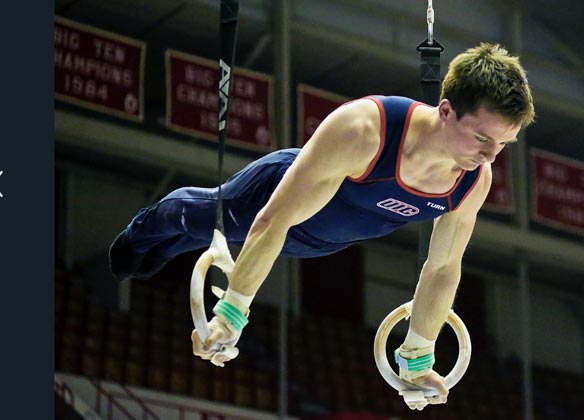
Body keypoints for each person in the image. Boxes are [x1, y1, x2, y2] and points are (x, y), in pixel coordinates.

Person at [109, 42, 535, 407]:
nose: (490, 156)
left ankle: (165, 246)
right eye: (482, 138)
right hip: (272, 203)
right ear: (446, 110)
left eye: (503, 144)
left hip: (324, 242)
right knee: (196, 222)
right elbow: (273, 221)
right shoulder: (365, 131)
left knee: (191, 242)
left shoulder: (473, 180)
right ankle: (145, 230)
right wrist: (232, 314)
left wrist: (418, 358)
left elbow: (442, 269)